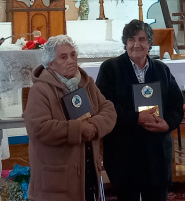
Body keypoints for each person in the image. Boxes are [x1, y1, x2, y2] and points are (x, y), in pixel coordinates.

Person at [95, 20, 185, 201]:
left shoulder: (161, 69)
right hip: (125, 153)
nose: (137, 44)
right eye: (131, 39)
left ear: (150, 43)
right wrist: (136, 118)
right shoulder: (111, 69)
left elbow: (176, 104)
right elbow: (105, 106)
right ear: (125, 43)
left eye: (142, 39)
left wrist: (167, 123)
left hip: (157, 153)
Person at [24, 35, 118, 201]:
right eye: (63, 56)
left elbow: (109, 110)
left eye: (73, 55)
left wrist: (94, 126)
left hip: (88, 176)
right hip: (56, 183)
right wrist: (79, 129)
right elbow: (39, 128)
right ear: (50, 63)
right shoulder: (40, 90)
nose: (71, 60)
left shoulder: (86, 83)